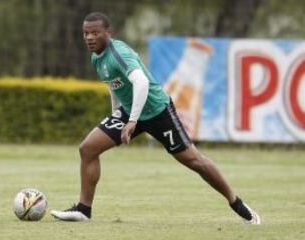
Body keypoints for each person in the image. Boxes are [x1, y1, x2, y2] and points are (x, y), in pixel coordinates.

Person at [51, 12, 261, 225]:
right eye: (86, 33)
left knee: (194, 161)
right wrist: (117, 113)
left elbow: (141, 83)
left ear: (108, 33)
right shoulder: (97, 56)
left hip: (157, 111)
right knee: (87, 148)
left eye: (95, 33)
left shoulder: (118, 53)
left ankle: (236, 203)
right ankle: (83, 210)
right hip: (130, 110)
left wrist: (132, 121)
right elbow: (114, 84)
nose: (89, 37)